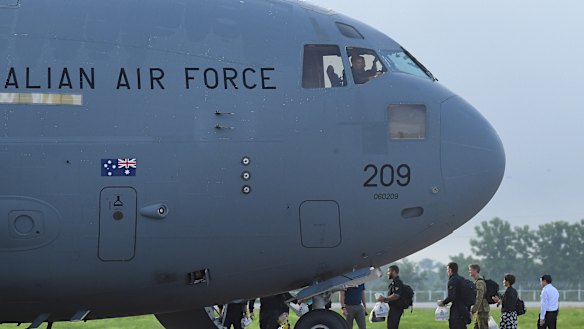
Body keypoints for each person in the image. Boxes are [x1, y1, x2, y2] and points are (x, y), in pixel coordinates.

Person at [438, 262, 471, 329]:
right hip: (464, 309)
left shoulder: (452, 280)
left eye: (447, 270)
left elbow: (451, 296)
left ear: (450, 270)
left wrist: (443, 302)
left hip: (456, 310)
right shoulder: (462, 279)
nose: (447, 272)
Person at [376, 265, 404, 329]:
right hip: (393, 308)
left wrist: (385, 299)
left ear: (393, 272)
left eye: (389, 271)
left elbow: (396, 295)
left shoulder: (397, 282)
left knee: (392, 327)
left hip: (396, 309)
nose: (387, 273)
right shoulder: (394, 282)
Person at [468, 264, 490, 329]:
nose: (469, 271)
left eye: (470, 270)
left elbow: (479, 297)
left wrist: (473, 310)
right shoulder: (477, 281)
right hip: (480, 310)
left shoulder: (479, 282)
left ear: (475, 270)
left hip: (482, 310)